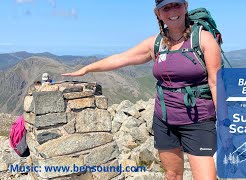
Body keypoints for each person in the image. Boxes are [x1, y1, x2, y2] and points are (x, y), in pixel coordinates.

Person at [62, 0, 221, 179]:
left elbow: (216, 83)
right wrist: (87, 69)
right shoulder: (157, 43)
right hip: (165, 120)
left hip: (199, 121)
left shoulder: (203, 39)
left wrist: (224, 123)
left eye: (176, 5)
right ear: (158, 14)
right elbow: (121, 58)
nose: (172, 11)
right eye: (166, 8)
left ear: (185, 6)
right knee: (172, 175)